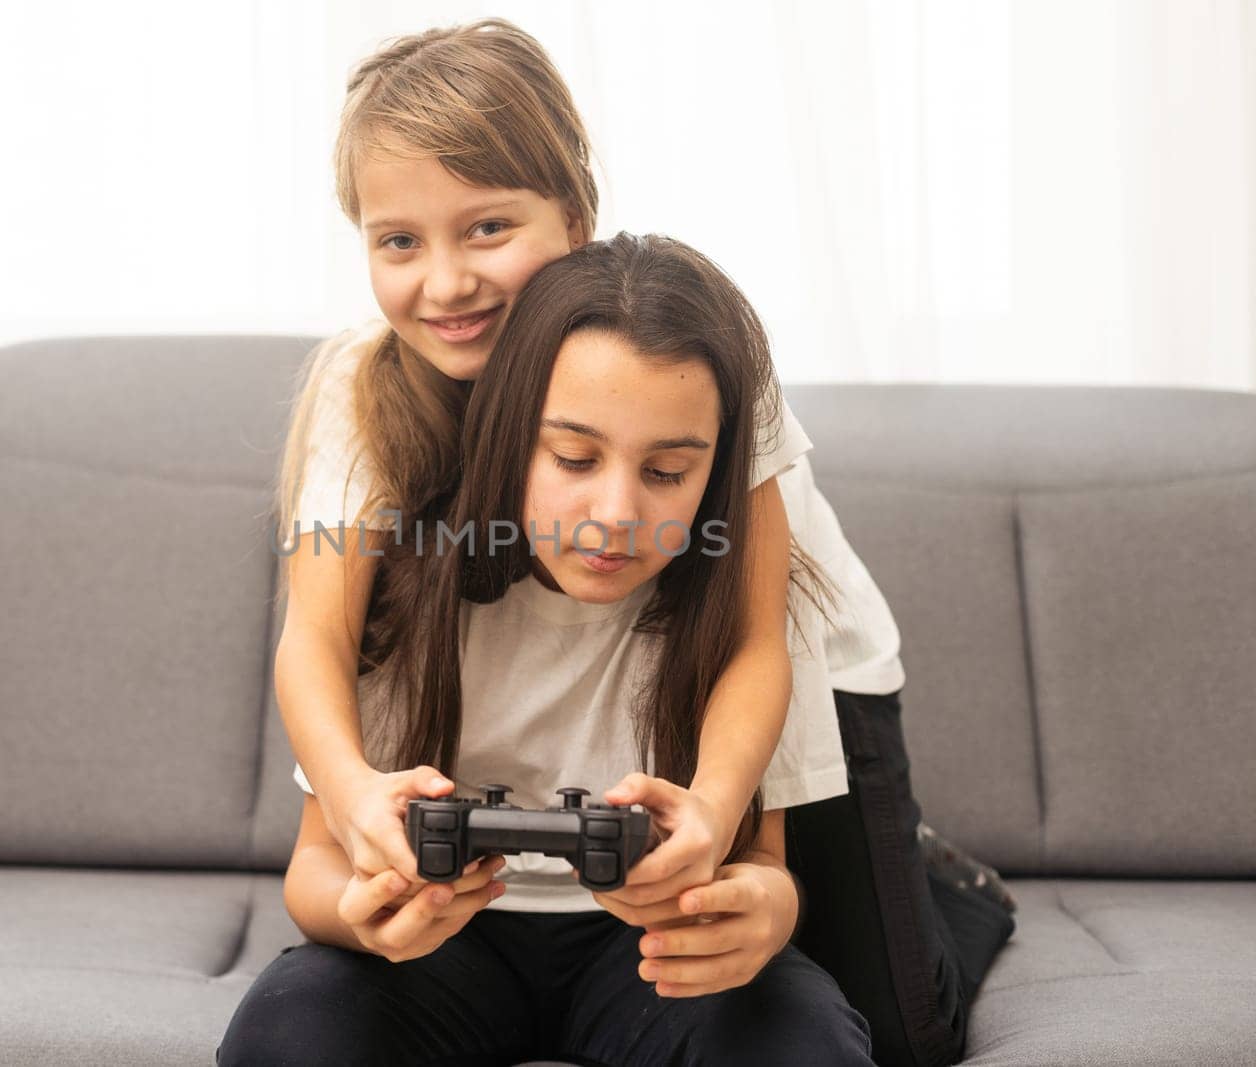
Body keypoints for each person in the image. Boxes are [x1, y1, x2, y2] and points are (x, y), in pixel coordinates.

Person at [265, 18, 1013, 1066]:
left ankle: (941, 885)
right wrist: (354, 805)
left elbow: (759, 634)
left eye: (487, 230)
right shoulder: (376, 397)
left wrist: (718, 815)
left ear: (574, 217)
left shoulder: (686, 354)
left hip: (812, 656)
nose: (447, 284)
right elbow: (316, 638)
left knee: (891, 1024)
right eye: (401, 241)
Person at [219, 232, 875, 1066]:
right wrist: (360, 913)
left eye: (669, 472)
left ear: (719, 473)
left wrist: (760, 911)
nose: (615, 512)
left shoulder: (738, 614)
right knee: (290, 1031)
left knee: (804, 1043)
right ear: (505, 432)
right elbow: (313, 870)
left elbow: (768, 872)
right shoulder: (397, 576)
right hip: (441, 954)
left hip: (648, 958)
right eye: (573, 457)